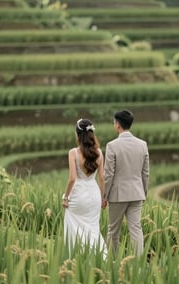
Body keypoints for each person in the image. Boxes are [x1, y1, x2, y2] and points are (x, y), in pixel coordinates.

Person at [104, 110, 149, 257]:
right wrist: (144, 193)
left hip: (117, 195)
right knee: (136, 229)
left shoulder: (112, 146)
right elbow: (145, 173)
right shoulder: (143, 145)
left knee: (113, 230)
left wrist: (104, 196)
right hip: (137, 193)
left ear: (117, 125)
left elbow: (109, 174)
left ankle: (112, 263)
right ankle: (139, 264)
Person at [62, 118, 107, 257]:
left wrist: (66, 196)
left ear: (78, 135)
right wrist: (103, 198)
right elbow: (102, 178)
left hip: (78, 195)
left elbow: (72, 178)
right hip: (93, 195)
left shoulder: (73, 153)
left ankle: (76, 260)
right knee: (93, 229)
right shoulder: (99, 153)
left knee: (74, 230)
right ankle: (101, 257)